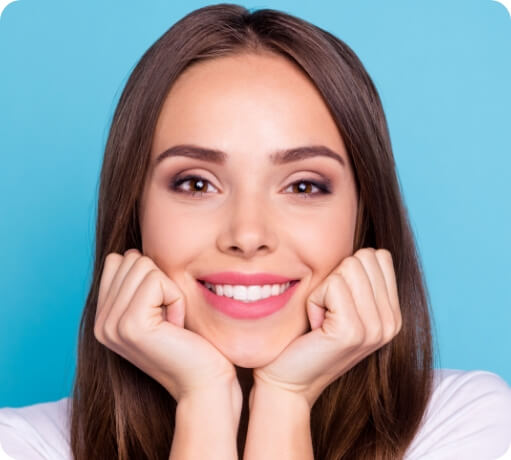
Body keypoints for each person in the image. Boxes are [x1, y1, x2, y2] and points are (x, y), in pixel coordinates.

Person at [1, 3, 510, 460]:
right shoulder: (21, 445)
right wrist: (204, 401)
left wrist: (285, 399)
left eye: (304, 186)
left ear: (366, 216)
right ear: (133, 211)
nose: (248, 234)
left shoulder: (468, 424)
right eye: (197, 183)